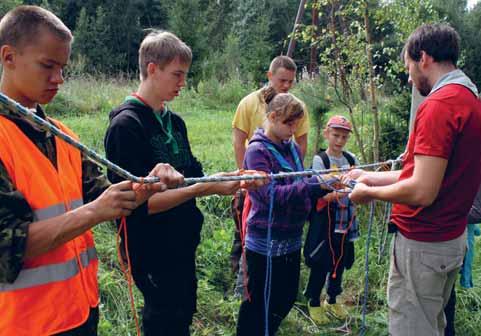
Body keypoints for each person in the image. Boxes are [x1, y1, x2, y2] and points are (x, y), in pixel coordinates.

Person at [0, 6, 182, 336]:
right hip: (27, 325)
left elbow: (103, 195)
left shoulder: (63, 134)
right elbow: (6, 245)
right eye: (47, 65)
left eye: (63, 67)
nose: (59, 78)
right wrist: (95, 212)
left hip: (81, 312)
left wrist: (147, 185)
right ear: (9, 57)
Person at [104, 30, 262, 336]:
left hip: (182, 243)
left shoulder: (175, 122)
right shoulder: (126, 126)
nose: (182, 83)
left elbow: (192, 175)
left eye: (185, 75)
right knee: (163, 319)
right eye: (177, 74)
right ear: (152, 69)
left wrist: (234, 178)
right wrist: (207, 187)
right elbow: (139, 206)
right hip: (151, 250)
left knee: (183, 312)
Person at [345, 23, 481, 335]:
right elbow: (426, 173)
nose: (409, 77)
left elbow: (422, 190)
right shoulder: (470, 102)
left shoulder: (439, 106)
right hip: (448, 241)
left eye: (409, 66)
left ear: (423, 57)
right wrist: (369, 177)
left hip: (423, 246)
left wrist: (367, 194)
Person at [235, 87, 333, 336]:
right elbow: (269, 196)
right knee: (257, 304)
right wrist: (314, 186)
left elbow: (301, 179)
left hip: (290, 238)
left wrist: (328, 182)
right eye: (289, 123)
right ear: (273, 117)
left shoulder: (288, 146)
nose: (293, 129)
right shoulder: (257, 151)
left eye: (296, 123)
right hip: (265, 243)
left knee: (286, 297)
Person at [230, 55, 310, 295]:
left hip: (284, 184)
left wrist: (294, 178)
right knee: (245, 234)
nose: (286, 85)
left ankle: (267, 292)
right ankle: (242, 289)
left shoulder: (294, 108)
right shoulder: (249, 103)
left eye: (290, 82)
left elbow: (300, 145)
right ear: (269, 76)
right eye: (281, 80)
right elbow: (238, 143)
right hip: (254, 179)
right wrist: (246, 181)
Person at [303, 115, 360, 324]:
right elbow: (317, 191)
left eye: (344, 137)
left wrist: (346, 189)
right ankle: (314, 302)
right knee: (321, 261)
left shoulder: (351, 159)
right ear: (327, 133)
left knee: (340, 260)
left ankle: (333, 298)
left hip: (347, 220)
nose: (339, 141)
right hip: (326, 220)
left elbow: (359, 184)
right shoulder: (321, 160)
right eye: (336, 135)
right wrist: (343, 190)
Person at [444, 164, 481, 336]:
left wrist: (439, 212)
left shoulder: (477, 166)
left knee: (446, 297)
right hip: (444, 243)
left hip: (454, 243)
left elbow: (478, 212)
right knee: (444, 296)